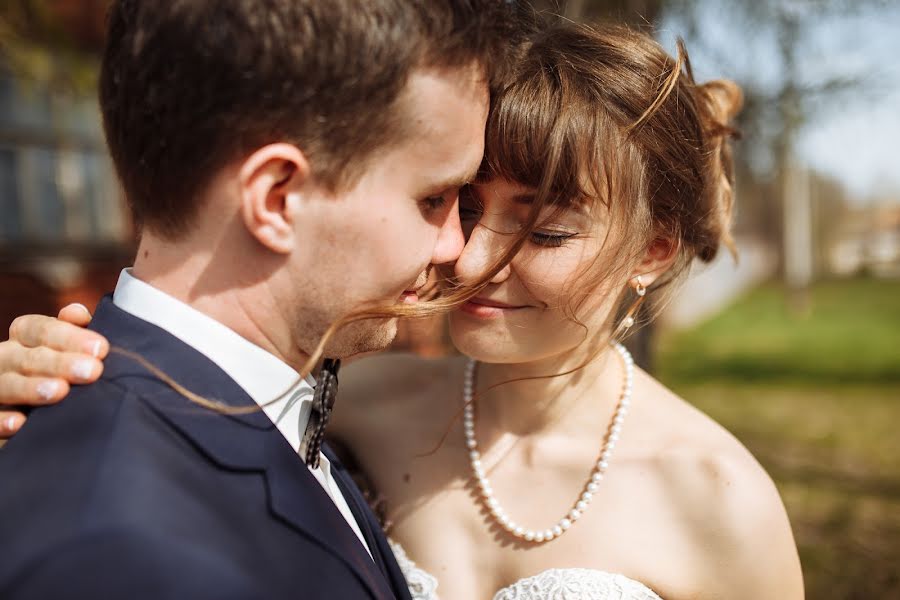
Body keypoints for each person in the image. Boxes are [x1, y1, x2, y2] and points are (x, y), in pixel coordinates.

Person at [0, 21, 806, 600]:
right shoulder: (348, 404)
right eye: (454, 201)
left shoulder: (717, 500)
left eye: (547, 229)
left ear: (655, 250)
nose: (472, 256)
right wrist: (54, 374)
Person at [0, 1, 520, 598]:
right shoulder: (122, 545)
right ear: (276, 198)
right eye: (434, 199)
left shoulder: (274, 406)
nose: (456, 246)